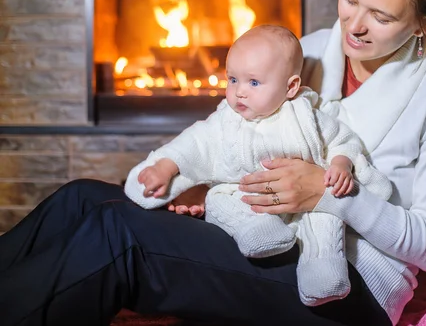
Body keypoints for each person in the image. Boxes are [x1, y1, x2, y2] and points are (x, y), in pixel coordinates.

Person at [0, 0, 426, 326]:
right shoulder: (308, 49)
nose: (355, 24)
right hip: (263, 232)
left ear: (423, 23)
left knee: (117, 233)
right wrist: (197, 185)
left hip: (347, 281)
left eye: (381, 16)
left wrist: (328, 195)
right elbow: (235, 134)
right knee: (81, 198)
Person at [123, 24, 392, 306]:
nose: (239, 92)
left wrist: (341, 163)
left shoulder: (304, 116)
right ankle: (255, 231)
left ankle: (323, 270)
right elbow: (194, 143)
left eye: (253, 83)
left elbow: (342, 140)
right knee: (218, 199)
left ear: (290, 87)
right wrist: (166, 166)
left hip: (306, 206)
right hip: (247, 199)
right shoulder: (226, 120)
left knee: (326, 218)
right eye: (233, 79)